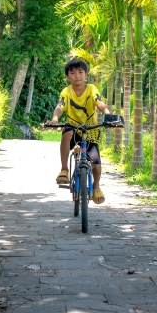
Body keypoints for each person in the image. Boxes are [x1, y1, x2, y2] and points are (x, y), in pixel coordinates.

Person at [47, 58, 110, 204]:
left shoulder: (91, 89)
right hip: (73, 127)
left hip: (90, 129)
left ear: (86, 75)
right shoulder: (66, 91)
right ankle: (64, 169)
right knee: (67, 133)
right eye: (73, 73)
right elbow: (60, 106)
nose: (77, 76)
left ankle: (96, 187)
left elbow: (99, 102)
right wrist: (55, 119)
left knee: (96, 163)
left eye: (81, 72)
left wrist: (108, 114)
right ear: (68, 76)